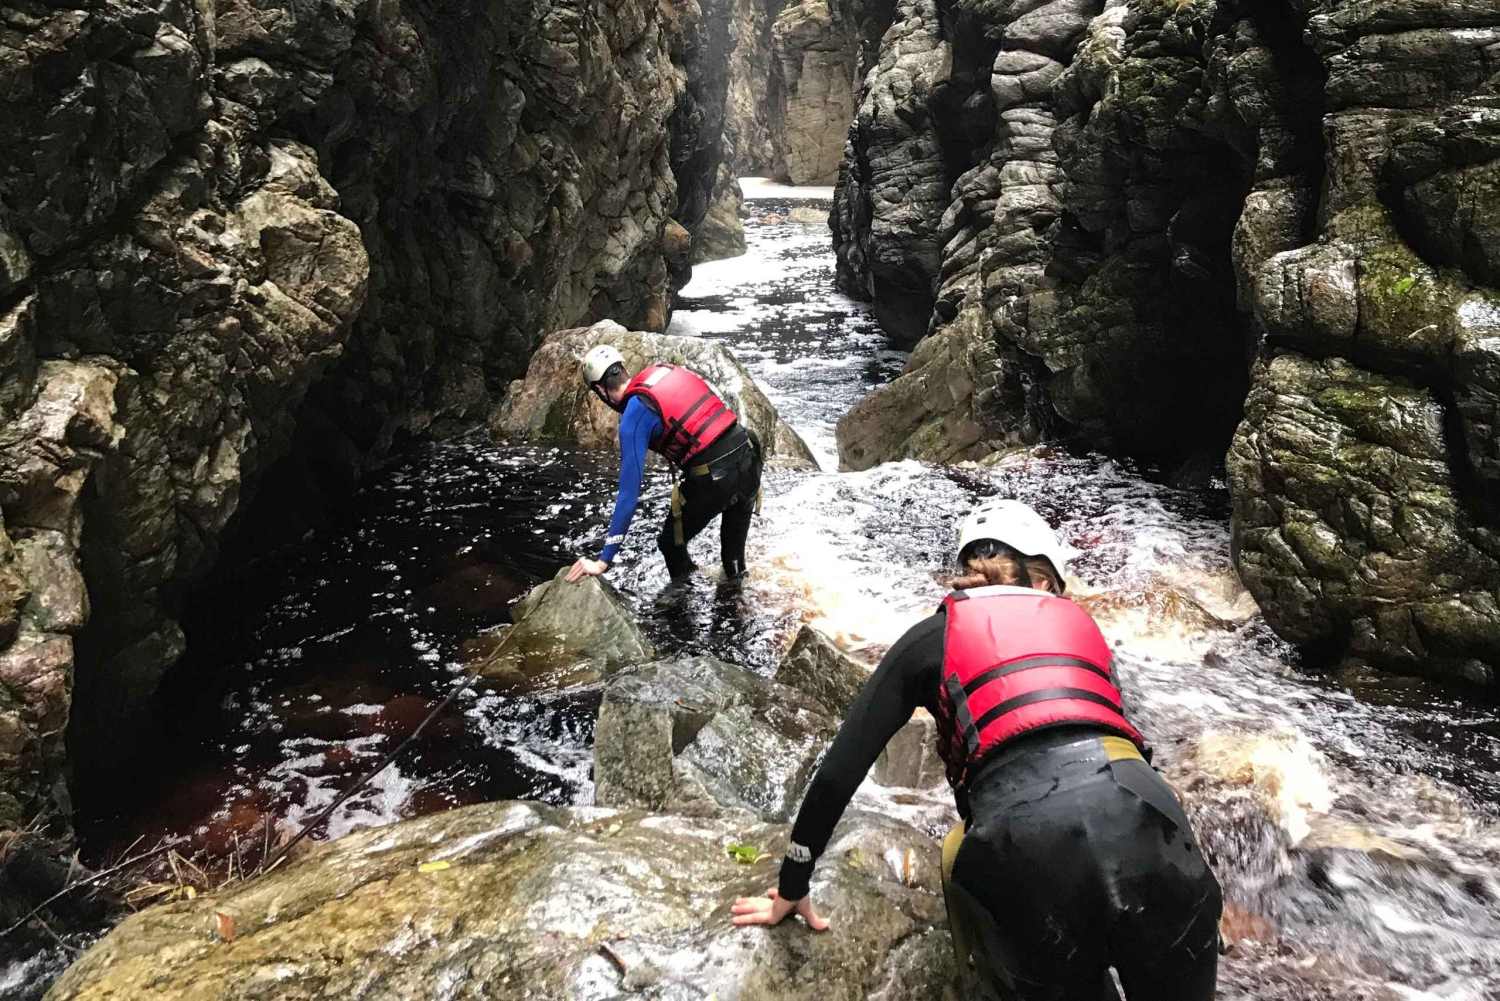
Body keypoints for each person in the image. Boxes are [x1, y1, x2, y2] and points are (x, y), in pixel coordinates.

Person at [731, 499, 1223, 1001]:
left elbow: (839, 773)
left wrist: (793, 883)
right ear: (1047, 582)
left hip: (1024, 849)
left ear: (965, 574)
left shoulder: (931, 638)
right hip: (1153, 830)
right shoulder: (1084, 629)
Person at [566, 344, 762, 584]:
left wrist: (602, 561)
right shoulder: (663, 371)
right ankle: (738, 599)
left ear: (600, 390)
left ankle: (685, 607)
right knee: (733, 561)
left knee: (670, 544)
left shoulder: (634, 415)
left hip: (715, 475)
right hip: (748, 451)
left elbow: (629, 494)